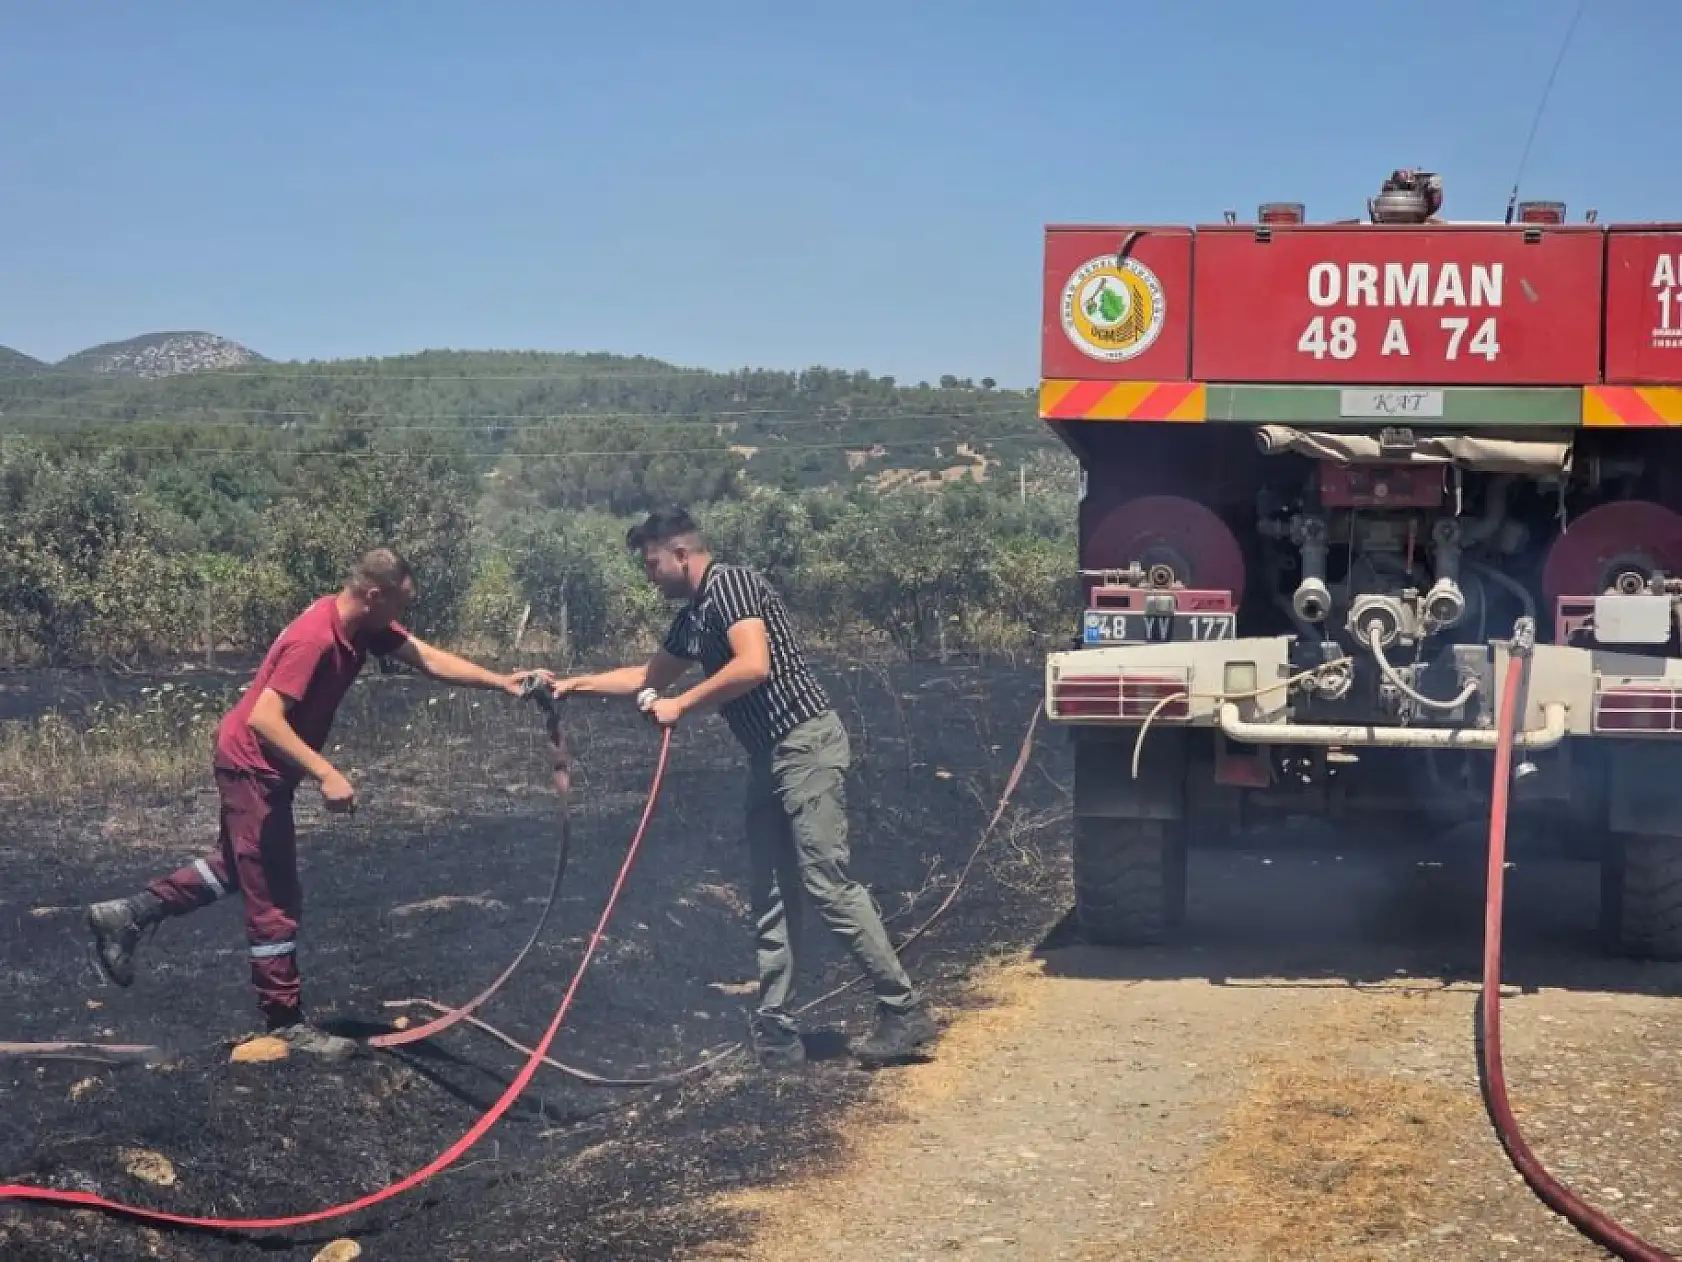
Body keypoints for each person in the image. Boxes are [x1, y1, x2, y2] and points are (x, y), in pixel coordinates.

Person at [86, 547, 544, 1061]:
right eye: (399, 604)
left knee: (237, 869)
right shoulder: (316, 638)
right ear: (374, 595)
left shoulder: (361, 627)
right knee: (275, 896)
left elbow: (427, 657)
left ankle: (128, 914)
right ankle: (284, 1021)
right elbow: (265, 717)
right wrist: (326, 773)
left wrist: (500, 681)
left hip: (264, 768)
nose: (401, 616)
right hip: (251, 768)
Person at [547, 507, 937, 1070]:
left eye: (652, 563)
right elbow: (646, 677)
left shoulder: (730, 585)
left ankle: (903, 1009)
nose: (648, 574)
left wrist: (683, 704)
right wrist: (570, 685)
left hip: (806, 746)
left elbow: (753, 665)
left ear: (680, 553)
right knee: (772, 892)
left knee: (827, 881)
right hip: (768, 759)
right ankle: (777, 1029)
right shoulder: (692, 617)